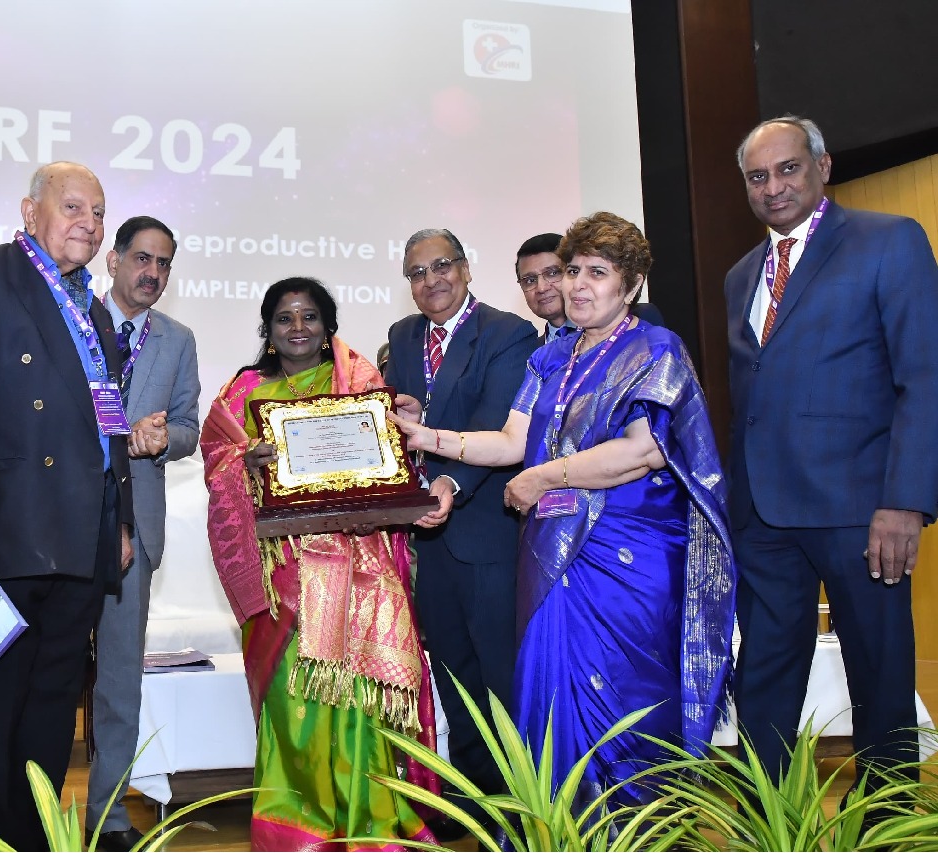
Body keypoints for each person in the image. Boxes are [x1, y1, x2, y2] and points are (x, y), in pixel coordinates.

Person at [392, 212, 735, 809]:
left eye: (596, 273)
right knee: (553, 697)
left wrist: (546, 476)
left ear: (630, 284)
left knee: (625, 697)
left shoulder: (655, 350)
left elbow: (644, 450)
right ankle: (563, 830)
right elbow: (511, 441)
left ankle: (640, 834)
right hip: (552, 558)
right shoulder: (553, 359)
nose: (576, 285)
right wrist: (430, 440)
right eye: (573, 269)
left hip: (629, 560)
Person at [0, 162, 134, 850]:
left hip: (80, 535)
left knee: (50, 710)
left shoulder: (94, 309)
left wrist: (121, 520)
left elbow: (108, 424)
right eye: (73, 207)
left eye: (98, 213)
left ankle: (37, 839)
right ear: (28, 210)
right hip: (4, 528)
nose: (89, 223)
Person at [727, 116, 938, 793]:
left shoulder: (888, 241)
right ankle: (767, 815)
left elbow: (923, 377)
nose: (772, 186)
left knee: (877, 675)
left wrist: (904, 500)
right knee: (761, 675)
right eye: (757, 176)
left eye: (787, 168)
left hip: (860, 511)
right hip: (761, 516)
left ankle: (887, 826)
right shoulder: (741, 275)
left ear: (823, 166)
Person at [201, 277, 440, 850]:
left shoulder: (359, 382)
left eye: (310, 317)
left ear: (328, 324)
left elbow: (387, 458)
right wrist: (246, 460)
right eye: (285, 319)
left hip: (358, 565)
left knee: (356, 697)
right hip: (281, 572)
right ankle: (298, 826)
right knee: (291, 699)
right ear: (268, 329)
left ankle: (369, 821)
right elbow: (216, 460)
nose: (298, 329)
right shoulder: (243, 392)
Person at [383, 228, 537, 821]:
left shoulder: (506, 333)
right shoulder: (403, 336)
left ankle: (521, 811)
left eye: (442, 266)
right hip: (427, 539)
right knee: (452, 674)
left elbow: (497, 425)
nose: (431, 281)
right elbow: (412, 417)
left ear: (467, 268)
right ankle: (476, 804)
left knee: (500, 677)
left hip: (485, 530)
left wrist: (448, 485)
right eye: (417, 273)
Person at [85, 216, 200, 850]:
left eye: (163, 263)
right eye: (142, 259)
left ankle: (108, 820)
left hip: (136, 528)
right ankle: (30, 809)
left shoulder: (177, 339)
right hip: (63, 522)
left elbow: (189, 427)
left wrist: (163, 439)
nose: (152, 273)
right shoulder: (73, 317)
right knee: (46, 673)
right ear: (114, 260)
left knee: (120, 680)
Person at [518, 232, 665, 347]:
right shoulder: (528, 353)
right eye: (529, 280)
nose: (542, 288)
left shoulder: (640, 323)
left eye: (553, 273)